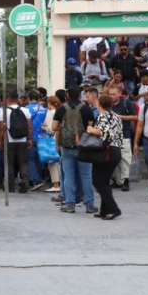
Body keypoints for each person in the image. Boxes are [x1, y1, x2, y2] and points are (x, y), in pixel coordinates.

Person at [52, 86, 97, 214]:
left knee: (68, 176)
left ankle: (70, 204)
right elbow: (90, 127)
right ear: (80, 96)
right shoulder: (87, 109)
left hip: (66, 146)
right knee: (86, 176)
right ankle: (89, 205)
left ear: (67, 96)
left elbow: (54, 127)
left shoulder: (61, 109)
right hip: (84, 147)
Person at [88, 95, 125, 220]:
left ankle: (114, 209)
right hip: (116, 151)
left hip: (106, 151)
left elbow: (102, 132)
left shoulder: (103, 116)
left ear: (99, 103)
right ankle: (104, 210)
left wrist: (90, 129)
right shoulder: (115, 116)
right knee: (104, 181)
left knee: (98, 182)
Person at [0, 90, 33, 193]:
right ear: (17, 99)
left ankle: (10, 185)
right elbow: (29, 127)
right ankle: (25, 181)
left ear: (8, 99)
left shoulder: (4, 112)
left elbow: (1, 128)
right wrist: (29, 139)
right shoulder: (25, 110)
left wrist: (0, 141)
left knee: (9, 163)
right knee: (23, 162)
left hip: (9, 141)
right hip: (22, 140)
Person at [108, 84, 137, 192]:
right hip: (112, 136)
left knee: (125, 158)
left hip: (124, 134)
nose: (111, 96)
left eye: (113, 94)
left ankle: (125, 181)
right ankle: (117, 180)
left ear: (119, 93)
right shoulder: (108, 104)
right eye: (110, 94)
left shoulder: (126, 103)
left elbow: (135, 117)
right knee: (114, 159)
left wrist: (120, 117)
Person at [25, 91, 48, 190]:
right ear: (39, 99)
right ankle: (39, 178)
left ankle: (36, 180)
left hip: (32, 136)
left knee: (30, 159)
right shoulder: (45, 109)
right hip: (43, 136)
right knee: (40, 159)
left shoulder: (26, 109)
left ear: (28, 98)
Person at [43, 95, 63, 193]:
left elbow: (51, 129)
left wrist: (44, 127)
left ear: (49, 103)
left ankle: (56, 184)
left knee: (52, 163)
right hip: (60, 139)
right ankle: (61, 184)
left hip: (52, 139)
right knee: (59, 162)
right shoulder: (60, 111)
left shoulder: (50, 113)